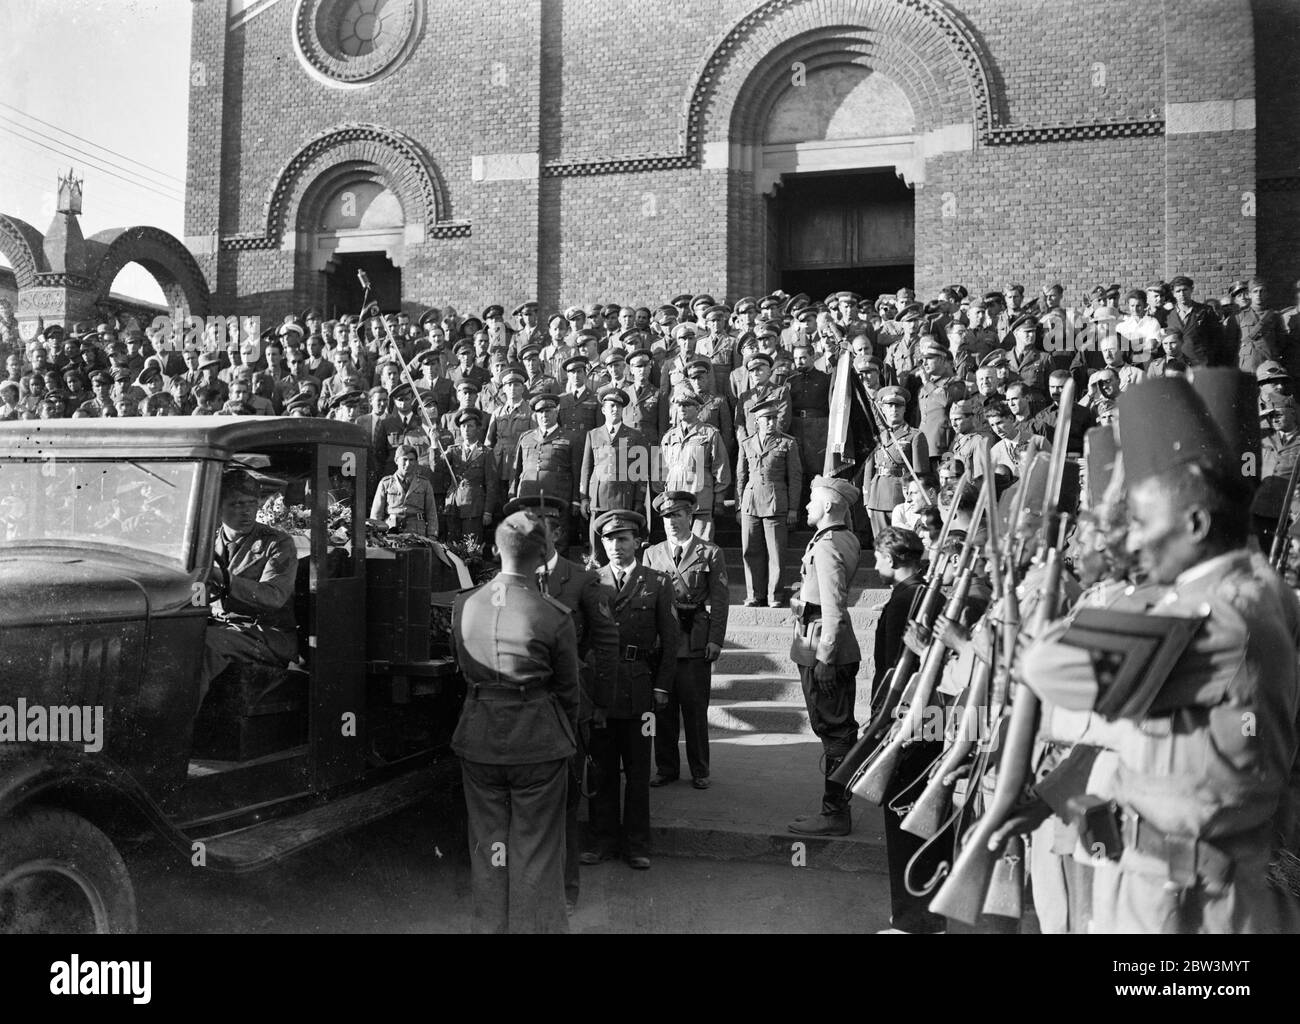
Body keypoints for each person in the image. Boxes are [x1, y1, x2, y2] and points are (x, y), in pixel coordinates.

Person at [1020, 376, 1300, 933]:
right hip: (1174, 879)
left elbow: (1050, 668)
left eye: (1144, 524)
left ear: (1195, 523)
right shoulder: (1250, 591)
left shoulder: (1217, 612)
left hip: (1194, 902)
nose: (1135, 541)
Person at [450, 512, 580, 934]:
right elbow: (568, 691)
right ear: (542, 557)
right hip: (537, 743)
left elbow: (464, 668)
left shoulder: (463, 604)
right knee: (537, 851)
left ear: (494, 549)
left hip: (479, 737)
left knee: (490, 848)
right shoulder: (554, 614)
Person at [502, 493, 620, 915]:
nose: (535, 533)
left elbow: (606, 644)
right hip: (517, 709)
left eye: (543, 526)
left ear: (556, 531)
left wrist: (600, 703)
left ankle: (565, 892)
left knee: (565, 801)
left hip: (567, 707)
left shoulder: (582, 581)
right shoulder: (508, 577)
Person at [584, 511, 678, 870]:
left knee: (638, 772)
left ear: (637, 542)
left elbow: (670, 642)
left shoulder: (657, 582)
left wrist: (662, 687)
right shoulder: (592, 583)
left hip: (641, 689)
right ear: (602, 543)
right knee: (602, 769)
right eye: (609, 540)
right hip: (601, 689)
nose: (616, 546)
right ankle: (601, 841)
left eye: (623, 539)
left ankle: (637, 844)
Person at [868, 526, 947, 932]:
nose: (876, 562)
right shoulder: (925, 593)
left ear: (895, 560)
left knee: (904, 822)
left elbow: (893, 670)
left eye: (881, 555)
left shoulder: (906, 597)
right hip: (924, 717)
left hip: (905, 717)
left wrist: (881, 720)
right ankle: (921, 914)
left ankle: (911, 920)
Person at [788, 475, 862, 837]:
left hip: (823, 643)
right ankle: (836, 808)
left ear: (829, 505)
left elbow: (833, 606)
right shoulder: (841, 538)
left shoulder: (828, 545)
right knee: (838, 730)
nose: (806, 506)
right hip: (820, 635)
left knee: (834, 732)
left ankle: (834, 813)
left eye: (812, 500)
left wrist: (826, 659)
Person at [643, 491, 728, 789]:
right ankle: (666, 767)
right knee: (661, 710)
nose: (671, 522)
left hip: (694, 639)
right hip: (663, 642)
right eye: (666, 517)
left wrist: (715, 639)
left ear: (690, 516)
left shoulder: (710, 552)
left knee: (694, 709)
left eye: (677, 515)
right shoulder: (652, 553)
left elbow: (720, 600)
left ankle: (700, 769)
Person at [199, 470, 298, 707]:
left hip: (264, 634)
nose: (246, 511)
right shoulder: (206, 543)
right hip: (222, 627)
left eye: (251, 503)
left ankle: (180, 731)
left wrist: (225, 579)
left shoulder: (277, 543)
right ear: (218, 507)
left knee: (203, 646)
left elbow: (274, 596)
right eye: (236, 504)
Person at [735, 397, 803, 607]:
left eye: (774, 418)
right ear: (757, 421)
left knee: (776, 553)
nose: (772, 422)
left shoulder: (787, 443)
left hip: (775, 502)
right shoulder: (747, 443)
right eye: (767, 419)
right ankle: (754, 594)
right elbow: (741, 476)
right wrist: (739, 506)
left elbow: (795, 477)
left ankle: (775, 596)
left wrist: (793, 508)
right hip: (750, 501)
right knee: (750, 550)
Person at [580, 386, 650, 560]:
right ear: (603, 410)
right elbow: (587, 467)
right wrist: (584, 498)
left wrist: (639, 501)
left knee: (622, 546)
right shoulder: (593, 435)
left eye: (618, 406)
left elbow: (640, 473)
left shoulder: (635, 436)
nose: (615, 410)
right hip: (598, 500)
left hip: (623, 499)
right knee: (597, 549)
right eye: (611, 406)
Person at [443, 409, 499, 545]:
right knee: (452, 548)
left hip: (474, 507)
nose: (466, 430)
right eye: (463, 426)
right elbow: (436, 467)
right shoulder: (453, 450)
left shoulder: (486, 453)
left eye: (470, 426)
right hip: (453, 505)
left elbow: (492, 484)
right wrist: (434, 444)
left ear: (478, 428)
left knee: (471, 550)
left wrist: (488, 512)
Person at [371, 443, 439, 537]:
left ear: (416, 462)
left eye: (411, 460)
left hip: (417, 533)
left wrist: (432, 535)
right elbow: (376, 514)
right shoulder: (386, 483)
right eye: (404, 459)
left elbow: (431, 513)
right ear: (396, 460)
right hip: (391, 532)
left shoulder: (424, 484)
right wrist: (375, 536)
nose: (408, 464)